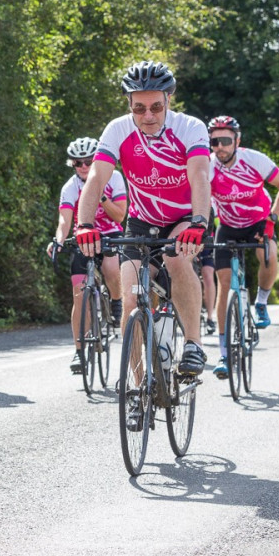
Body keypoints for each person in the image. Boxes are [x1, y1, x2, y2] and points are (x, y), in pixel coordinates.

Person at [74, 61, 211, 379]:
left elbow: (200, 175)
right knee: (132, 298)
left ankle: (193, 343)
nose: (148, 116)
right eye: (139, 108)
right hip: (140, 222)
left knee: (177, 260)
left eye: (156, 107)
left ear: (168, 100)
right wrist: (84, 224)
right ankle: (137, 384)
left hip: (184, 217)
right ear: (128, 104)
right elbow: (96, 178)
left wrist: (199, 222)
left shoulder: (190, 128)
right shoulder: (118, 129)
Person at [207, 116, 279, 379]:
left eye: (225, 140)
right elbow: (199, 198)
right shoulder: (208, 166)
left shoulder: (254, 159)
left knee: (268, 253)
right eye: (214, 141)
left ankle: (262, 302)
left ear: (237, 140)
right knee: (224, 285)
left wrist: (273, 219)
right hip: (229, 225)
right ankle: (223, 353)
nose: (219, 146)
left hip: (258, 220)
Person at [48, 137, 127, 373]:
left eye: (88, 161)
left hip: (111, 234)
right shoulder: (70, 186)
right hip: (83, 238)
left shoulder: (114, 177)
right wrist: (59, 240)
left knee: (112, 269)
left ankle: (115, 301)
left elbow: (120, 216)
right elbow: (65, 220)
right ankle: (79, 352)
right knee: (79, 294)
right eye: (77, 162)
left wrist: (100, 195)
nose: (83, 166)